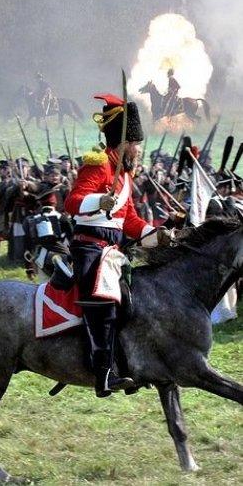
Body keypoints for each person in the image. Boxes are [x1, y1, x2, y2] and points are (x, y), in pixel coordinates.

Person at [65, 93, 170, 398]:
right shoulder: (98, 166)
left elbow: (131, 221)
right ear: (124, 143)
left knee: (132, 304)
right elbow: (72, 202)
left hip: (112, 252)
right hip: (90, 248)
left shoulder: (124, 176)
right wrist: (100, 200)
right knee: (104, 307)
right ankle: (102, 376)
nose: (139, 149)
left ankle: (127, 365)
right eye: (136, 144)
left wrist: (156, 234)